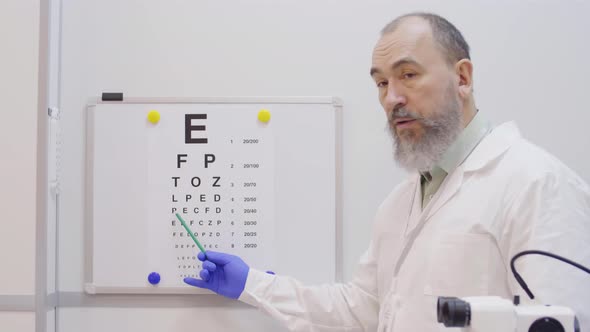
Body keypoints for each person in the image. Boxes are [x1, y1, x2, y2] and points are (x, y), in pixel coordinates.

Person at [184, 12, 590, 331]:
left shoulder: (536, 183)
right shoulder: (402, 203)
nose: (391, 98)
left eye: (408, 75)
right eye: (380, 83)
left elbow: (561, 322)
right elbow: (362, 311)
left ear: (462, 78)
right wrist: (252, 285)